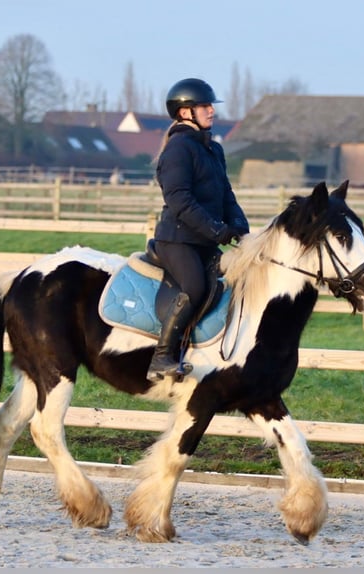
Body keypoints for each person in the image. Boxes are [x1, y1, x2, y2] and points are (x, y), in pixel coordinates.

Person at [146, 78, 250, 383]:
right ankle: (161, 357)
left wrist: (240, 227)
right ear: (184, 113)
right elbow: (178, 199)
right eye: (204, 106)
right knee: (194, 287)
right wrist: (216, 229)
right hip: (177, 240)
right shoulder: (178, 149)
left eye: (210, 105)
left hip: (204, 240)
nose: (211, 111)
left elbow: (226, 194)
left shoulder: (213, 150)